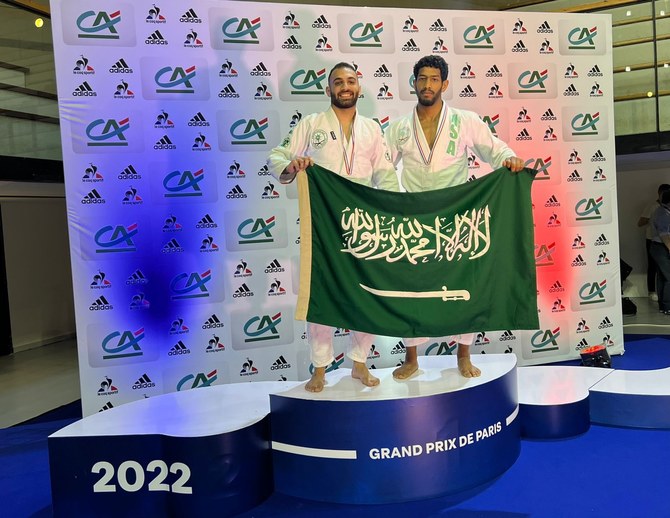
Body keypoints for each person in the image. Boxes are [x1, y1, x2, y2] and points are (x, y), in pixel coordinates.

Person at [385, 55, 525, 380]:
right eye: (422, 78)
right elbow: (382, 167)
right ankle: (411, 357)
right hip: (415, 218)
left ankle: (463, 354)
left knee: (463, 284)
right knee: (413, 288)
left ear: (445, 84)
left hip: (456, 215)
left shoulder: (465, 120)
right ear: (413, 83)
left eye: (434, 79)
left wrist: (509, 159)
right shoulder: (399, 129)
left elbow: (494, 148)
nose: (428, 84)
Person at [267, 62, 399, 392]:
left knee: (366, 294)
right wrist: (291, 165)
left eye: (350, 81)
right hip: (324, 223)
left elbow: (384, 173)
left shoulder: (372, 129)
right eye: (338, 82)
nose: (345, 86)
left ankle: (359, 362)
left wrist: (399, 206)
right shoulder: (311, 125)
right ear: (328, 90)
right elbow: (278, 154)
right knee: (321, 297)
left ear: (359, 87)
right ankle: (320, 368)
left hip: (364, 223)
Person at [637, 184, 670, 302]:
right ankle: (652, 291)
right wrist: (653, 221)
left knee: (663, 273)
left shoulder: (666, 209)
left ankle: (663, 301)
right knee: (653, 267)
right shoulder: (653, 206)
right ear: (659, 193)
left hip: (664, 242)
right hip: (653, 240)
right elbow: (640, 222)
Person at [649, 190, 670, 314]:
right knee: (668, 277)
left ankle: (663, 306)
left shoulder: (663, 211)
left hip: (659, 247)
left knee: (662, 277)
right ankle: (667, 306)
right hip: (661, 247)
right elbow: (664, 235)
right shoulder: (663, 214)